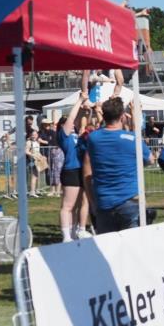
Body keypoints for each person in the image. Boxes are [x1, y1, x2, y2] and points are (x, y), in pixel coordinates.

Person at [82, 96, 152, 233]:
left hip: (103, 201)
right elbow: (150, 159)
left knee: (106, 245)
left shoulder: (93, 138)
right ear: (122, 116)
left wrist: (92, 201)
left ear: (104, 115)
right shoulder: (132, 138)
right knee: (133, 243)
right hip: (130, 200)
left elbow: (86, 170)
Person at [57, 91, 91, 241]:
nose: (70, 124)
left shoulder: (76, 135)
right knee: (67, 206)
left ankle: (73, 233)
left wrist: (86, 111)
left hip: (80, 171)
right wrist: (79, 100)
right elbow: (72, 118)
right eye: (66, 123)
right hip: (70, 171)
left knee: (77, 206)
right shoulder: (63, 136)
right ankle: (66, 236)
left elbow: (79, 122)